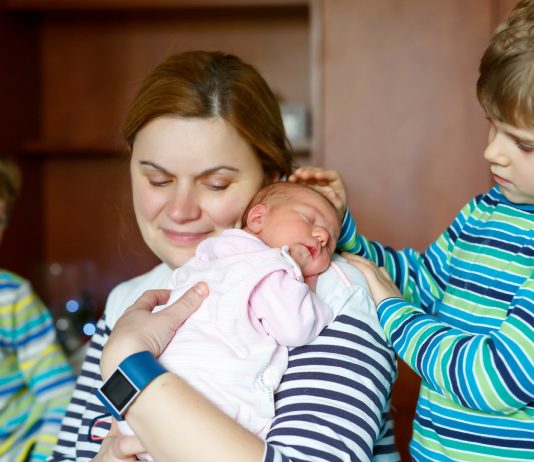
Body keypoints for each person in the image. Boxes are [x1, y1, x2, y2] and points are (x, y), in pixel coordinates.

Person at [49, 50, 398, 461]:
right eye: (157, 179)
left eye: (215, 184)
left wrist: (129, 365)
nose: (180, 210)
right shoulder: (130, 301)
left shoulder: (335, 296)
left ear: (271, 182)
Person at [292, 1, 534, 460]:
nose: (493, 154)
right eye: (492, 127)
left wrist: (394, 314)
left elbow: (495, 379)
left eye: (522, 143)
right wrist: (341, 231)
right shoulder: (484, 212)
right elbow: (421, 283)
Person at [118, 181, 364, 458]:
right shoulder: (271, 266)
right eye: (309, 220)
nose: (321, 236)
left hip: (143, 411)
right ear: (258, 218)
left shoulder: (204, 260)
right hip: (216, 409)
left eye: (330, 242)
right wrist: (305, 285)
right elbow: (296, 328)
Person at [0, 157, 76, 462]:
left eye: (1, 220)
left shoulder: (12, 298)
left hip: (21, 447)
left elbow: (59, 393)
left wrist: (44, 457)